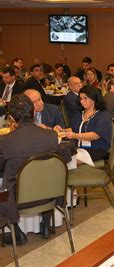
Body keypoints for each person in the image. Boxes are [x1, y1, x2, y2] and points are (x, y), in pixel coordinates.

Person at [0, 94, 72, 243]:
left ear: (12, 117)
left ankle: (17, 233)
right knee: (45, 175)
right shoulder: (50, 136)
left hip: (18, 200)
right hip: (50, 194)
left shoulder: (5, 141)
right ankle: (46, 225)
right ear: (33, 112)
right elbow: (64, 155)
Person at [65, 85, 112, 161]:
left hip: (95, 149)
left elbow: (95, 135)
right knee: (59, 157)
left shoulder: (103, 115)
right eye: (80, 98)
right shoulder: (80, 113)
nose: (82, 101)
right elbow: (72, 128)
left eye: (85, 98)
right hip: (78, 147)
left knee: (66, 161)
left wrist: (75, 136)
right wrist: (63, 131)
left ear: (94, 98)